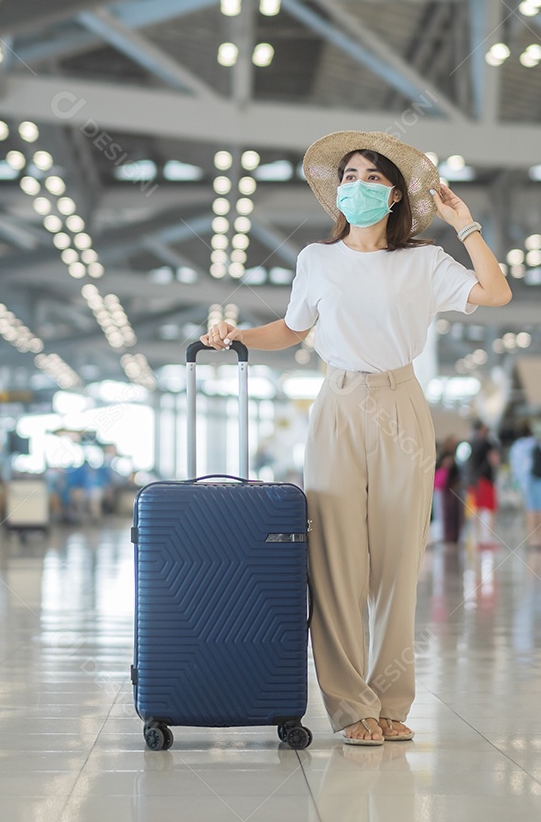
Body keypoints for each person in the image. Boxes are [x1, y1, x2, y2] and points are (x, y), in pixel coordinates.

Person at [202, 131, 511, 745]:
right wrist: (235, 335)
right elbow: (291, 330)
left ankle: (392, 701)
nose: (357, 187)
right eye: (349, 176)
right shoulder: (316, 260)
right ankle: (350, 706)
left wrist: (466, 224)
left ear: (395, 195)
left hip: (403, 404)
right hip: (338, 405)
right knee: (335, 560)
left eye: (372, 178)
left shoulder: (424, 262)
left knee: (399, 561)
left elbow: (496, 293)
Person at [509, 425, 541, 548]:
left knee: (531, 512)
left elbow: (517, 468)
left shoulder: (518, 447)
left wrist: (518, 483)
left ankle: (533, 541)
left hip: (528, 483)